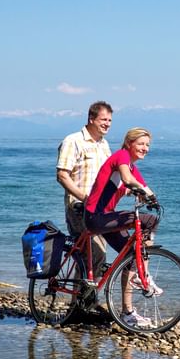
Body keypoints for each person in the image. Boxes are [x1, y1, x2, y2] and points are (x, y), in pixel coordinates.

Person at [84, 127, 161, 328]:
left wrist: (153, 198)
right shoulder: (121, 157)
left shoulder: (132, 167)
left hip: (106, 219)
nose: (145, 148)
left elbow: (141, 185)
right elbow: (128, 180)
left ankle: (127, 312)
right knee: (149, 221)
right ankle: (144, 273)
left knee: (131, 257)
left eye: (148, 145)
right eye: (141, 144)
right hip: (96, 217)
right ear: (129, 144)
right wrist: (142, 193)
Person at [56, 101, 113, 282]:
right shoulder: (73, 141)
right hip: (79, 207)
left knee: (97, 256)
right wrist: (85, 198)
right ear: (91, 119)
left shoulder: (104, 145)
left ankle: (85, 303)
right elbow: (62, 175)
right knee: (92, 254)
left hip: (99, 209)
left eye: (110, 120)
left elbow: (111, 175)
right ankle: (80, 305)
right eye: (103, 119)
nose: (107, 124)